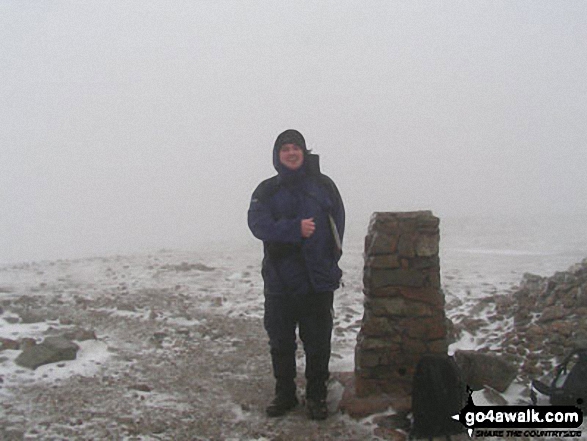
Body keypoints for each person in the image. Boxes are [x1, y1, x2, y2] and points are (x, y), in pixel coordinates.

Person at [247, 129, 345, 420]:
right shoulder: (266, 190)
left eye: (296, 148)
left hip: (316, 281)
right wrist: (293, 230)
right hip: (279, 282)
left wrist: (329, 262)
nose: (291, 153)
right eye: (284, 148)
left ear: (304, 152)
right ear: (277, 155)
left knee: (318, 343)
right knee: (281, 342)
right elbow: (257, 224)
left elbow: (337, 226)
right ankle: (285, 395)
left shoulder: (324, 186)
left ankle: (316, 397)